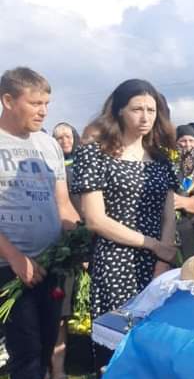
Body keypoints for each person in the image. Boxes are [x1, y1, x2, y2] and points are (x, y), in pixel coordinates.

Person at [0, 68, 79, 379]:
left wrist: (77, 235)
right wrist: (15, 258)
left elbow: (62, 202)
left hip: (50, 261)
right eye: (34, 103)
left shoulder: (48, 145)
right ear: (8, 100)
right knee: (27, 350)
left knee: (44, 344)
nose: (43, 110)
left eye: (46, 103)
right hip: (8, 265)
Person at [70, 79, 177, 358]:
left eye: (151, 110)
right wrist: (153, 245)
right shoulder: (95, 154)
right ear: (119, 111)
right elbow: (95, 219)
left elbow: (169, 213)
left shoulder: (161, 160)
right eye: (136, 109)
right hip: (116, 261)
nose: (145, 117)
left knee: (155, 345)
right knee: (116, 345)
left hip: (157, 263)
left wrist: (163, 258)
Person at [49, 122, 80, 379]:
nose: (64, 140)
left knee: (61, 312)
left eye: (68, 136)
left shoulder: (81, 167)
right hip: (44, 246)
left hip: (68, 248)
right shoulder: (49, 168)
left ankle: (58, 371)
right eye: (58, 137)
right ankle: (41, 372)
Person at [173, 123, 194, 260]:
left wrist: (188, 201)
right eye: (183, 140)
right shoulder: (171, 163)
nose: (187, 144)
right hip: (173, 224)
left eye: (191, 140)